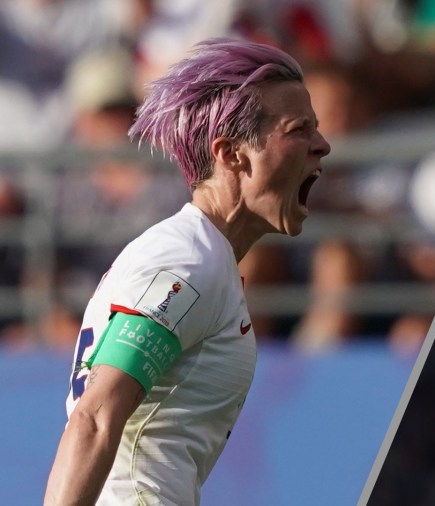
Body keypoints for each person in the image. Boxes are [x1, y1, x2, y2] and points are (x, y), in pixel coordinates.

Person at [44, 38, 331, 505]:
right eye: (299, 129)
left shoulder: (203, 258)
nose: (323, 144)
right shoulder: (187, 261)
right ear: (233, 154)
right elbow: (94, 418)